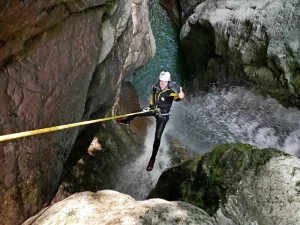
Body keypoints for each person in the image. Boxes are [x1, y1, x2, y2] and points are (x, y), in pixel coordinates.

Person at [117, 71, 185, 171]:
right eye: (161, 81)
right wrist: (151, 106)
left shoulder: (169, 92)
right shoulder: (155, 86)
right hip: (153, 110)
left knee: (157, 137)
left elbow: (177, 97)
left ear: (168, 82)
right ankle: (127, 121)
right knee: (135, 112)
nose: (162, 84)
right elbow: (153, 96)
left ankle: (152, 159)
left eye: (165, 82)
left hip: (162, 116)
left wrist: (181, 95)